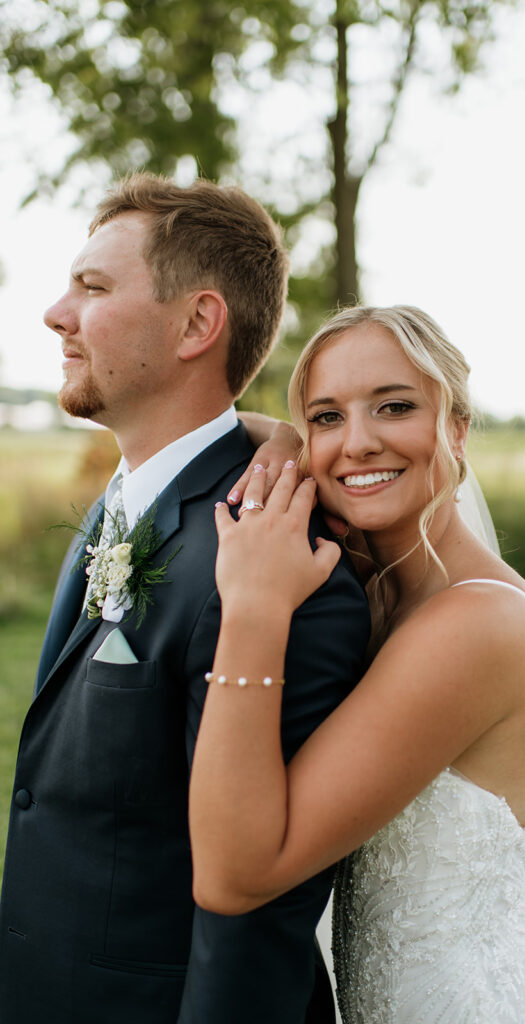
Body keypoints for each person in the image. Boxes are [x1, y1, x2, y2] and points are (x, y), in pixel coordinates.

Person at [0, 174, 370, 1024]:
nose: (57, 313)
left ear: (199, 323)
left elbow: (254, 920)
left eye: (93, 288)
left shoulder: (283, 569)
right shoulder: (119, 506)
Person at [189, 304, 525, 1023]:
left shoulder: (475, 625)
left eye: (395, 406)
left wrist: (252, 610)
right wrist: (282, 437)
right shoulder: (380, 591)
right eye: (326, 417)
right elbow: (256, 432)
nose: (358, 442)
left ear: (458, 428)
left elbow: (236, 876)